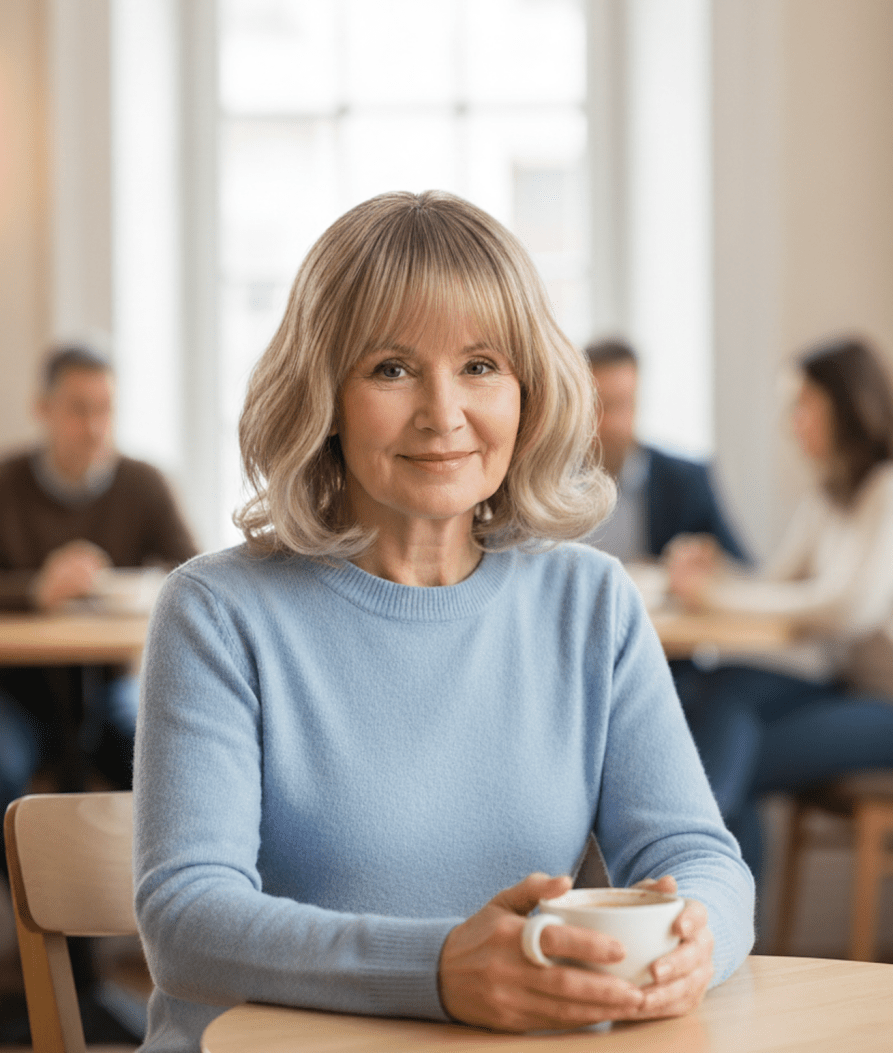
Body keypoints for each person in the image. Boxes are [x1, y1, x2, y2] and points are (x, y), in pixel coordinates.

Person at [133, 191, 753, 1052]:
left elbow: (699, 858)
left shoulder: (590, 602)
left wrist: (694, 942)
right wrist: (436, 972)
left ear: (527, 391)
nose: (443, 412)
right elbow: (186, 922)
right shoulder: (216, 611)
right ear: (324, 395)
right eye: (391, 369)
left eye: (480, 366)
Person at [668, 337, 893, 878]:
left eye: (802, 407)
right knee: (721, 687)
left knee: (726, 762)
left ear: (845, 407)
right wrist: (714, 569)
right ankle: (710, 887)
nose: (792, 425)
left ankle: (692, 866)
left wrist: (718, 594)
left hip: (884, 705)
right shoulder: (830, 497)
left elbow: (847, 608)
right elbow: (772, 586)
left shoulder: (886, 489)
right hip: (849, 689)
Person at [0, 343, 199, 804]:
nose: (93, 427)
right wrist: (36, 591)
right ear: (43, 409)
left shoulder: (143, 484)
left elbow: (193, 573)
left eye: (105, 409)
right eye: (78, 410)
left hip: (112, 686)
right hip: (17, 692)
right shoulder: (7, 484)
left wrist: (129, 588)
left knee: (165, 760)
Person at [582, 338, 748, 563]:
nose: (612, 423)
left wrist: (707, 563)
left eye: (623, 404)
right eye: (600, 406)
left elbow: (743, 567)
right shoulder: (550, 482)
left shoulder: (686, 481)